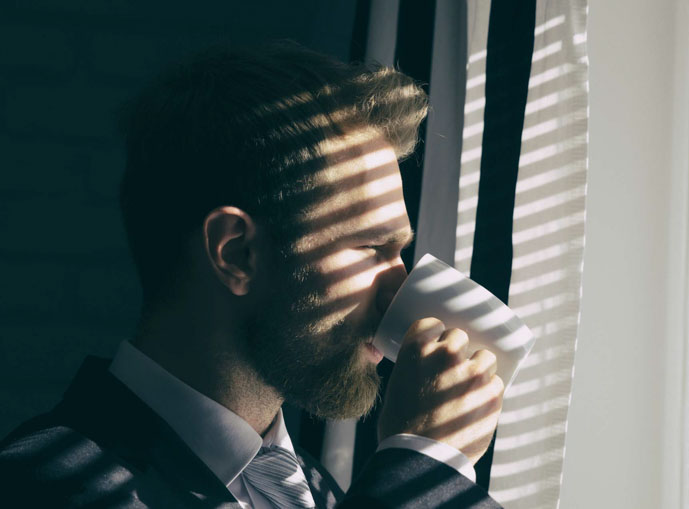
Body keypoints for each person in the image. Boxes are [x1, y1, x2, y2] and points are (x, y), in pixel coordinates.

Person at [0, 42, 504, 508]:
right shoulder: (46, 485)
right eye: (373, 247)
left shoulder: (324, 492)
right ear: (236, 253)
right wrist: (426, 467)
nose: (400, 292)